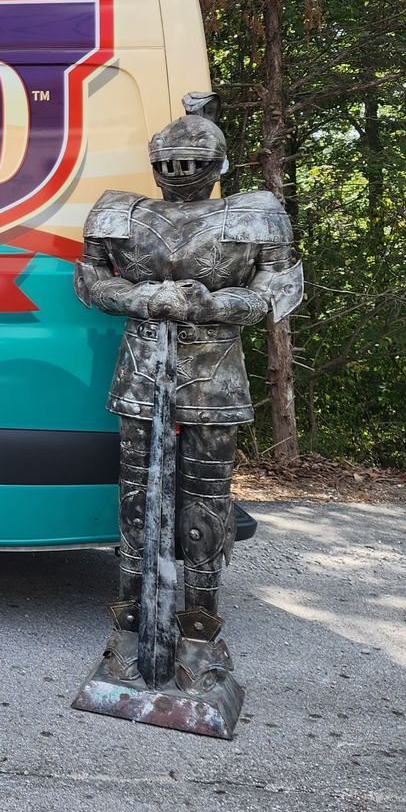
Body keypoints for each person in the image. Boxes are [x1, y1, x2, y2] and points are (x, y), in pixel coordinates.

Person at [75, 92, 303, 682]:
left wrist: (216, 302)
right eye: (169, 164)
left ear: (216, 165)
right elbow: (90, 281)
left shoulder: (254, 212)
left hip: (213, 369)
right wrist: (148, 297)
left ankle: (200, 623)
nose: (179, 176)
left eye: (191, 164)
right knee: (136, 502)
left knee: (204, 504)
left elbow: (278, 289)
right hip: (143, 368)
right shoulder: (120, 211)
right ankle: (130, 619)